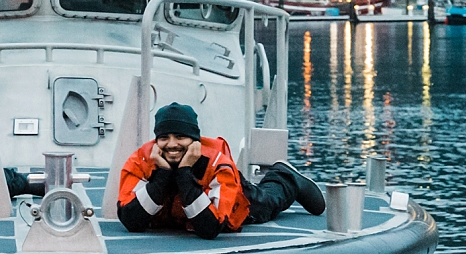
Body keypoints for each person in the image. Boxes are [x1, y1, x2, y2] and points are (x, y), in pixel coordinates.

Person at [116, 103, 324, 240]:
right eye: (164, 138)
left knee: (267, 203)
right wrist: (162, 174)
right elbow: (131, 220)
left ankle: (286, 177)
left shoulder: (217, 165)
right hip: (178, 211)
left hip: (238, 199)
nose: (171, 144)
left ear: (194, 140)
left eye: (180, 137)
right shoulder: (140, 162)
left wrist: (184, 172)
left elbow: (209, 228)